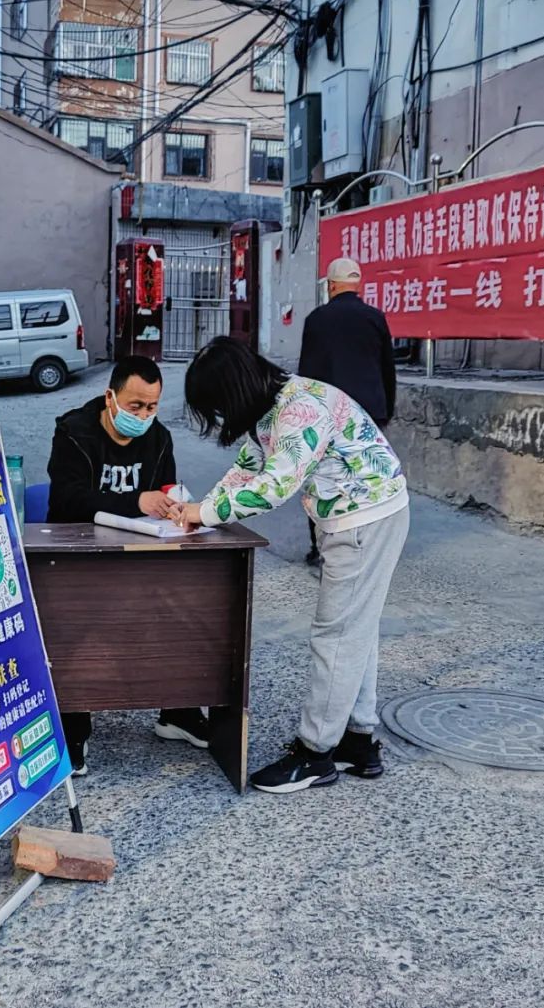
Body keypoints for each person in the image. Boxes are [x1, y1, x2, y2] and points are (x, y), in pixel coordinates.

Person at [173, 336, 409, 794]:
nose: (221, 417)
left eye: (218, 407)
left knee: (337, 635)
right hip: (359, 515)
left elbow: (275, 485)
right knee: (356, 630)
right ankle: (357, 742)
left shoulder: (300, 410)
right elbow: (248, 469)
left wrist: (205, 514)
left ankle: (315, 753)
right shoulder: (273, 406)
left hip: (363, 520)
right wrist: (202, 506)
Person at [46, 355, 208, 775]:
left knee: (193, 601)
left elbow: (166, 488)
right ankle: (73, 726)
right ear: (110, 397)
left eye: (152, 407)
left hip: (141, 553)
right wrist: (135, 500)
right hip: (79, 556)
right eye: (135, 406)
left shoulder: (159, 439)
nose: (143, 416)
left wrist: (174, 503)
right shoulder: (73, 433)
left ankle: (179, 710)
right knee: (77, 626)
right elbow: (67, 500)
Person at [298, 257, 396, 567]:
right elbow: (387, 369)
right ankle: (366, 544)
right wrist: (386, 410)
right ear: (357, 285)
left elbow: (307, 374)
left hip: (329, 414)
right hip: (370, 413)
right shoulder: (375, 318)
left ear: (331, 285)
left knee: (325, 480)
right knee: (366, 479)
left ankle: (322, 546)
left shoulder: (317, 319)